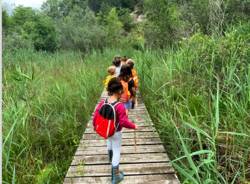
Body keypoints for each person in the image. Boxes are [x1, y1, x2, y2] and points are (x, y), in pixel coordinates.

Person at [93, 78, 137, 184]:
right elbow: (123, 122)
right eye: (121, 90)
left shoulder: (103, 102)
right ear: (119, 91)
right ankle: (116, 176)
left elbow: (96, 115)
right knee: (117, 150)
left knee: (109, 143)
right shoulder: (119, 106)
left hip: (106, 130)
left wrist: (95, 125)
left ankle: (110, 159)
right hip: (116, 132)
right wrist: (134, 126)